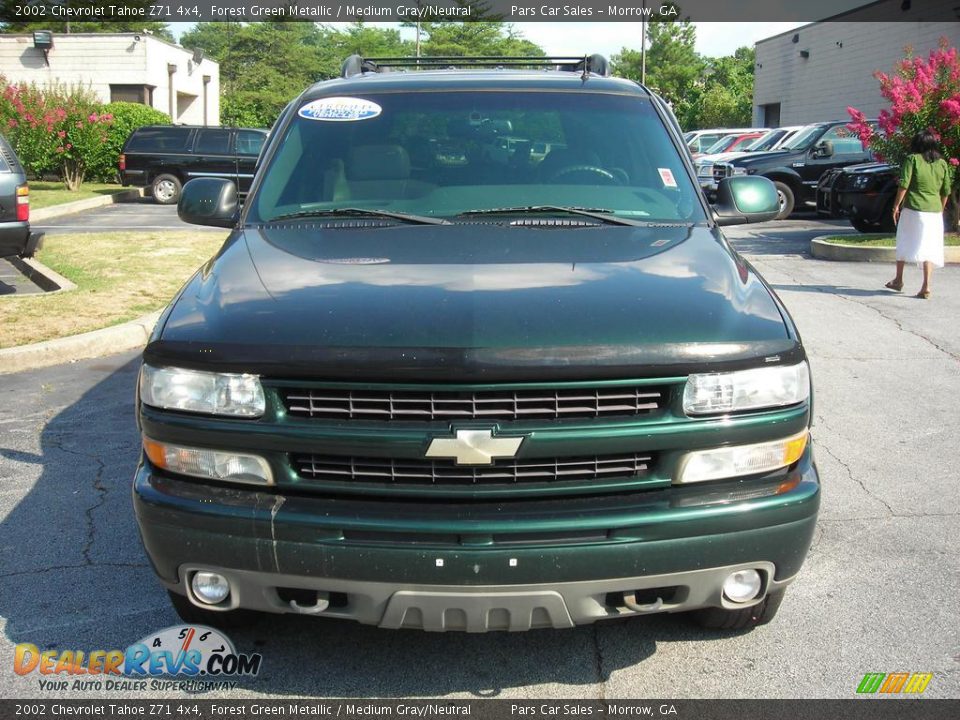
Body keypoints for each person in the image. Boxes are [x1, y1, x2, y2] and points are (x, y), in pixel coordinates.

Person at [885, 130, 952, 299]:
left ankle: (898, 279)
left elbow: (904, 185)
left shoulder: (912, 159)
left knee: (904, 240)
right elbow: (946, 191)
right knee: (929, 247)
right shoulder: (942, 163)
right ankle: (926, 286)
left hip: (914, 209)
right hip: (934, 211)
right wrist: (940, 208)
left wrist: (895, 206)